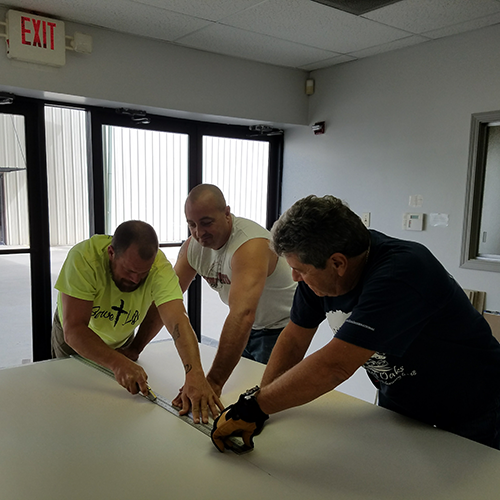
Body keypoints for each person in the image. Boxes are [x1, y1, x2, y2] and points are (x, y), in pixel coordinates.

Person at [211, 194, 500, 451]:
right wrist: (261, 405)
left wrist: (254, 407)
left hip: (477, 408)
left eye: (300, 270)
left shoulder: (402, 273)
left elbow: (334, 366)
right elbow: (294, 338)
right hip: (403, 405)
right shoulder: (318, 277)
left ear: (338, 263)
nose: (295, 278)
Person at [52, 220, 222, 424]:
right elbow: (74, 330)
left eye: (143, 274)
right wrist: (117, 363)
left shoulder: (159, 267)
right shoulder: (84, 258)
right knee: (72, 404)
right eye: (129, 271)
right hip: (75, 340)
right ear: (111, 253)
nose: (135, 280)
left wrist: (195, 374)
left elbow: (177, 319)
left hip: (121, 337)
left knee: (113, 411)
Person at [173, 184, 296, 398]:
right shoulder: (192, 247)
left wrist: (212, 383)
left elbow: (243, 314)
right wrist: (134, 349)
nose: (199, 233)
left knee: (269, 401)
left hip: (279, 329)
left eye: (206, 223)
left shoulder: (250, 244)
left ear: (227, 213)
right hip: (247, 326)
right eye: (191, 224)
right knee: (240, 394)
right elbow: (168, 299)